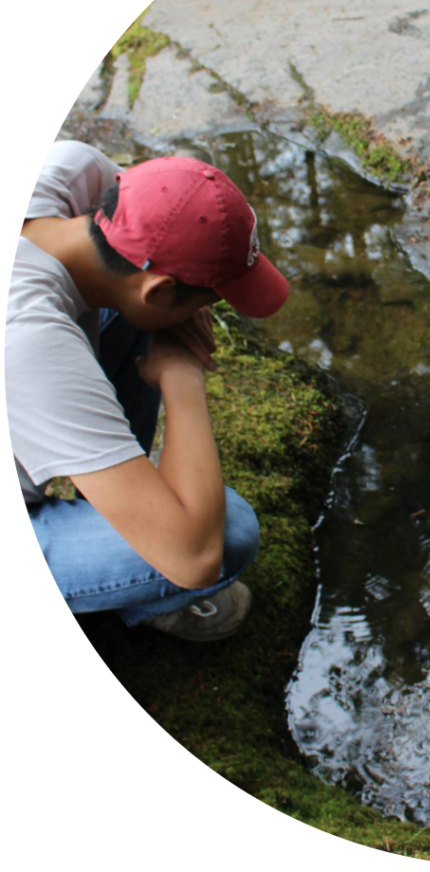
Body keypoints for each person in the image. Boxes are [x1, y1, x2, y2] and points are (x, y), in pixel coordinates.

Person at [9, 140, 290, 641]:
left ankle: (128, 509)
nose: (211, 311)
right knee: (227, 536)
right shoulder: (31, 338)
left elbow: (160, 232)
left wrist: (186, 302)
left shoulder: (72, 171)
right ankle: (135, 575)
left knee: (129, 312)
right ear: (159, 290)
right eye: (211, 299)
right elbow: (195, 557)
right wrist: (182, 377)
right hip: (30, 371)